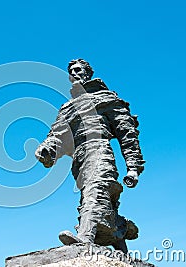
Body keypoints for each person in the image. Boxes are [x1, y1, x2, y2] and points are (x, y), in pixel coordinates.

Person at [35, 59, 145, 253]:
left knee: (97, 189)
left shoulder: (105, 98)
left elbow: (126, 133)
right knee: (94, 198)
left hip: (99, 149)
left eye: (78, 70)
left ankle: (84, 238)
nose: (74, 74)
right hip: (79, 159)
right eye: (71, 71)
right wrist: (46, 150)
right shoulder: (67, 108)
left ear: (88, 73)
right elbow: (57, 136)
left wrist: (133, 167)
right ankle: (120, 233)